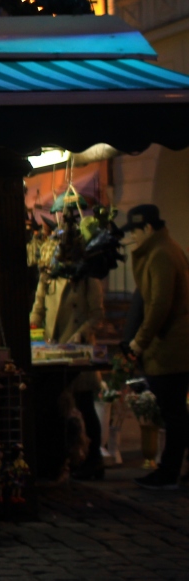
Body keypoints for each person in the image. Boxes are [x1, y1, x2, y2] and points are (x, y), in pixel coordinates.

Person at [122, 204, 189, 489]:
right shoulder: (167, 249)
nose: (132, 238)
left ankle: (168, 472)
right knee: (176, 412)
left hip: (169, 349)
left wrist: (140, 341)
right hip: (173, 347)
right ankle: (172, 470)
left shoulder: (160, 254)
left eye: (135, 231)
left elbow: (159, 305)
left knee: (173, 413)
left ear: (147, 228)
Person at [30, 268, 105, 479]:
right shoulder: (48, 275)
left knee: (84, 404)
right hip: (51, 349)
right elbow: (38, 308)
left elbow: (97, 315)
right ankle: (62, 459)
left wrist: (80, 335)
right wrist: (33, 330)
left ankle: (93, 459)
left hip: (76, 350)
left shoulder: (88, 277)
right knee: (57, 405)